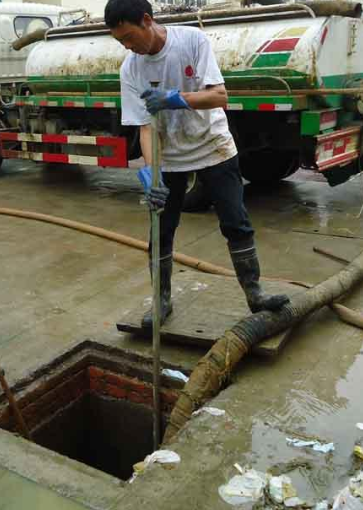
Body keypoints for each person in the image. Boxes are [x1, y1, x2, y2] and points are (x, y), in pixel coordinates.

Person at [104, 0, 290, 330]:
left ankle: (255, 294)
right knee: (161, 232)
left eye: (130, 37)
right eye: (120, 42)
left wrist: (176, 98)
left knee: (235, 222)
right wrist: (151, 173)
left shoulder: (192, 42)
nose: (128, 47)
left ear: (147, 20)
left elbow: (219, 96)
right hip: (170, 155)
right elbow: (145, 127)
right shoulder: (130, 69)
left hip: (213, 146)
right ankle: (162, 300)